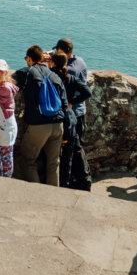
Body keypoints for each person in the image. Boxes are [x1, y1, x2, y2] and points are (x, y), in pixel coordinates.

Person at [11, 45, 68, 186]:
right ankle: (54, 196)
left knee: (27, 160)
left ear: (29, 58)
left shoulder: (27, 72)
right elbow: (65, 104)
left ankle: (38, 196)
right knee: (54, 163)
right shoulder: (55, 75)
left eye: (26, 58)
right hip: (58, 125)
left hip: (39, 126)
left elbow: (6, 81)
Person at [50, 38, 92, 191]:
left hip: (73, 113)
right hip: (77, 113)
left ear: (64, 52)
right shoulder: (80, 61)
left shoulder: (70, 69)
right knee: (75, 149)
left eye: (58, 51)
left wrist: (71, 101)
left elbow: (63, 73)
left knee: (75, 149)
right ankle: (79, 180)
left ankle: (83, 181)